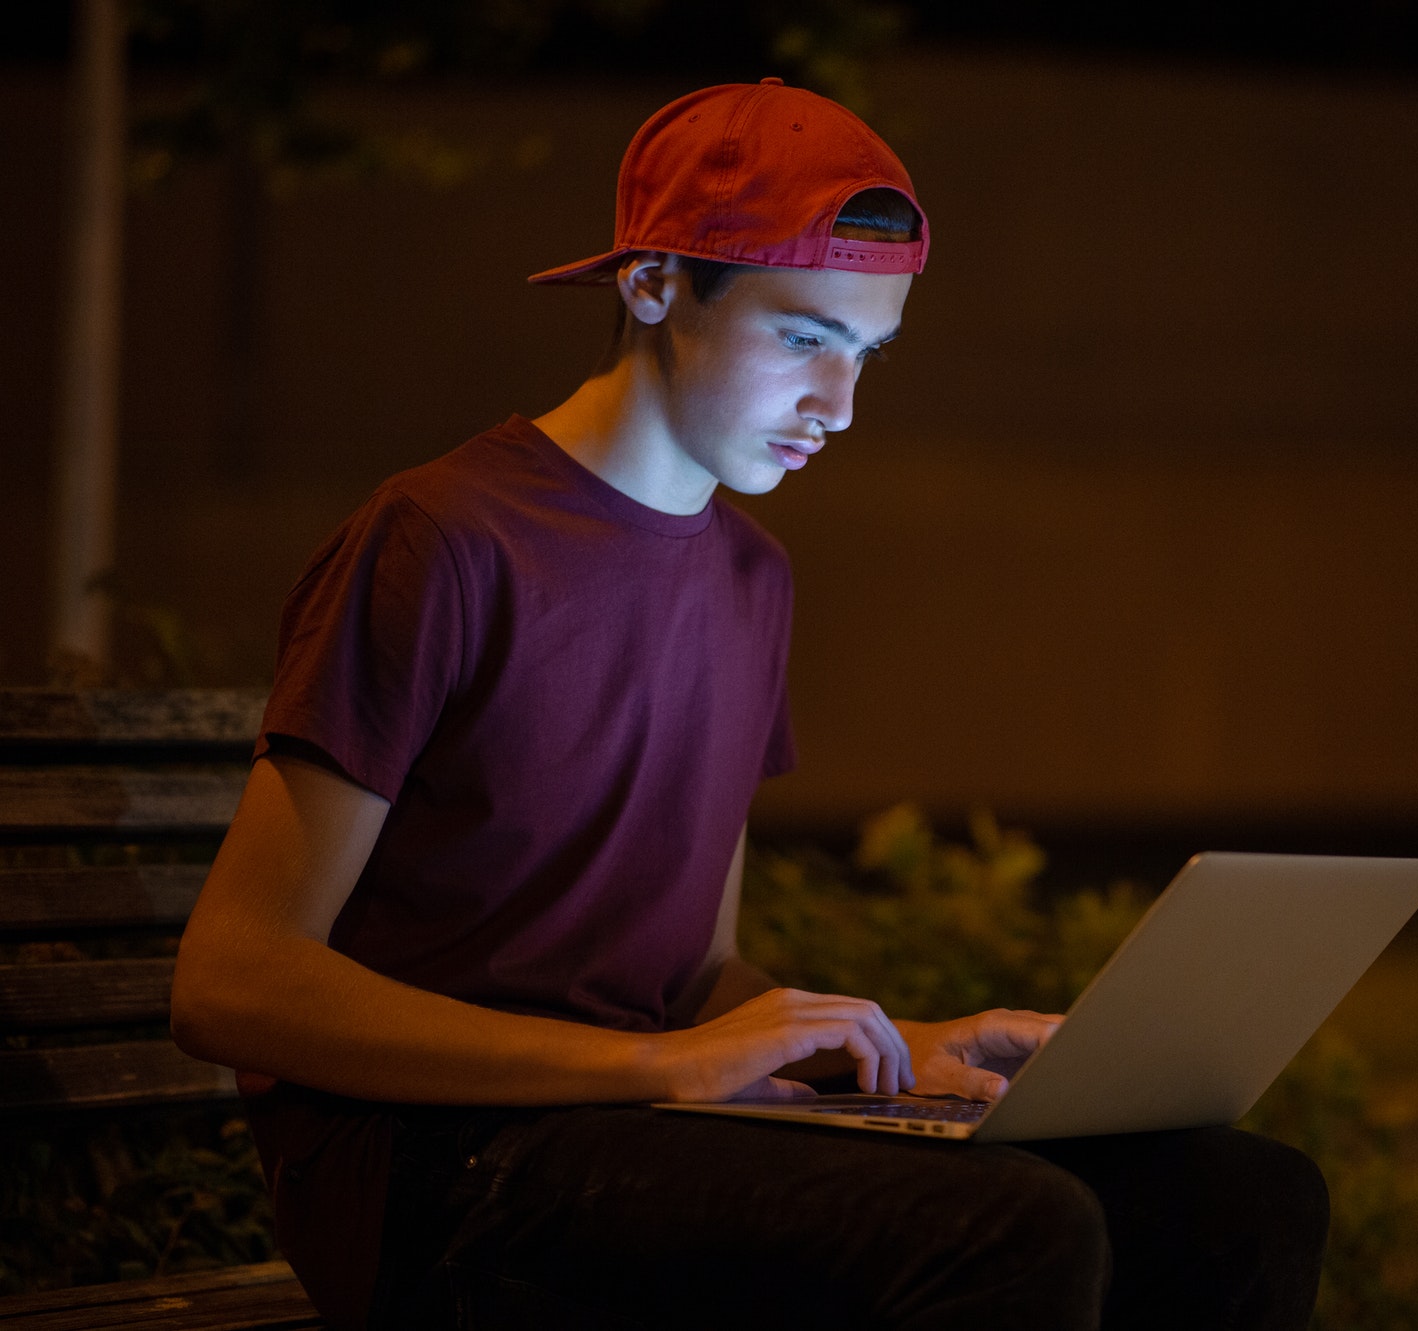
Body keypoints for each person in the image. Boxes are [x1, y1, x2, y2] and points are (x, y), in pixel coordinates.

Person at [170, 78, 1329, 1330]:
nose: (838, 404)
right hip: (436, 1172)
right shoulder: (441, 539)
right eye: (802, 336)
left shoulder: (748, 575)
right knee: (1012, 1230)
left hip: (640, 1126)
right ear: (653, 284)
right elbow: (234, 981)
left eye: (865, 353)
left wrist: (902, 1049)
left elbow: (698, 973)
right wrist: (652, 1066)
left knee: (1238, 1195)